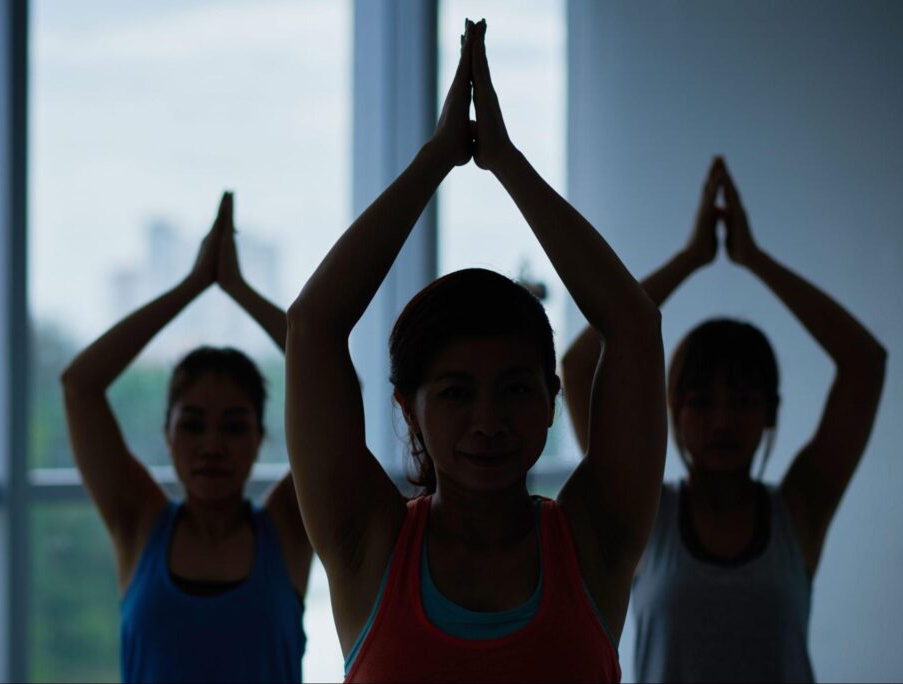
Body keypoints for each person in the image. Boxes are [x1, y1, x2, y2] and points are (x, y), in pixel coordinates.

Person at [285, 20, 665, 683]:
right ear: (408, 408)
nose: (488, 421)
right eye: (457, 393)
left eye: (514, 389)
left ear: (551, 399)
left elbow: (633, 324)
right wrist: (436, 157)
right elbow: (312, 326)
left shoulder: (593, 541)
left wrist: (506, 161)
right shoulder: (368, 545)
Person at [561, 157, 888, 682]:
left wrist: (754, 260)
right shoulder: (645, 516)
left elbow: (865, 364)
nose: (721, 421)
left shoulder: (799, 512)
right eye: (701, 400)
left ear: (770, 412)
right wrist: (689, 259)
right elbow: (579, 367)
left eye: (741, 400)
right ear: (673, 408)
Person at [60, 192, 312, 683]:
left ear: (259, 438)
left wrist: (236, 288)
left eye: (233, 426)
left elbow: (334, 386)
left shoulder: (289, 527)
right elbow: (79, 385)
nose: (212, 445)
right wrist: (193, 285)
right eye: (193, 424)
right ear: (168, 435)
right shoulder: (138, 521)